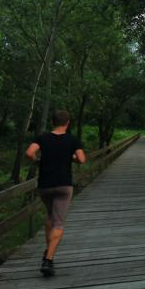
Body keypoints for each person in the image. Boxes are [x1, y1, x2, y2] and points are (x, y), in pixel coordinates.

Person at [25, 110, 86, 277]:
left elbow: (29, 152)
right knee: (58, 222)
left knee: (50, 216)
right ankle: (48, 260)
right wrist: (70, 157)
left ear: (53, 122)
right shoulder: (73, 140)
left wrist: (37, 161)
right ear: (67, 123)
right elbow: (81, 159)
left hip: (45, 184)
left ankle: (48, 251)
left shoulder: (42, 138)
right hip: (63, 186)